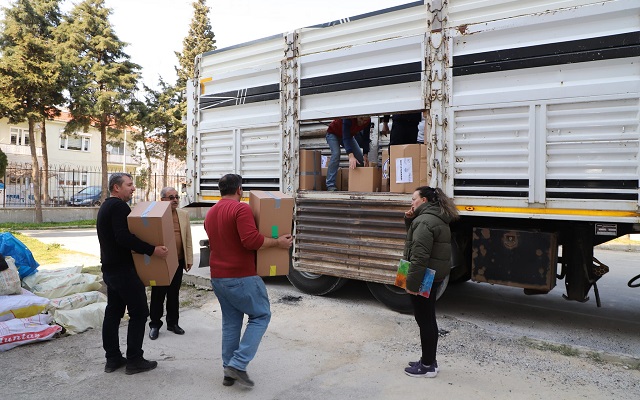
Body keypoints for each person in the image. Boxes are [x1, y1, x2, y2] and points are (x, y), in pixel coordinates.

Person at [204, 174, 293, 388]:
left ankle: (228, 370)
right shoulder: (240, 208)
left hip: (218, 277)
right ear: (239, 190)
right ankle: (238, 363)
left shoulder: (211, 212)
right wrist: (278, 242)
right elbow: (250, 241)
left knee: (231, 322)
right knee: (261, 315)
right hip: (241, 275)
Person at [96, 173, 169, 375]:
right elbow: (123, 237)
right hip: (122, 270)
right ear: (116, 187)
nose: (133, 188)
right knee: (139, 313)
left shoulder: (105, 206)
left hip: (110, 269)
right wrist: (152, 250)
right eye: (129, 185)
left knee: (113, 312)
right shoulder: (119, 206)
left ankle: (112, 359)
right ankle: (135, 360)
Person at [402, 186, 459, 378]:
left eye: (413, 199)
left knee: (424, 319)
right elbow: (415, 242)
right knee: (427, 318)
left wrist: (411, 284)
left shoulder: (425, 222)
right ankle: (429, 360)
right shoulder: (432, 218)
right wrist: (409, 220)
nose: (411, 202)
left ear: (424, 201)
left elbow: (419, 256)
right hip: (433, 275)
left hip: (424, 276)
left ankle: (427, 366)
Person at [149, 187, 193, 340]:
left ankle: (173, 323)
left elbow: (187, 238)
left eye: (176, 197)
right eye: (171, 197)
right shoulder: (156, 215)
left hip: (178, 261)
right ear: (163, 200)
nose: (175, 200)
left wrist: (189, 259)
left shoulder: (183, 214)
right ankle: (154, 324)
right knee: (158, 294)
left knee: (174, 293)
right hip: (161, 261)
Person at [325, 116, 371, 191]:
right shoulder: (349, 118)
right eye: (361, 119)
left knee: (360, 158)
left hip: (348, 136)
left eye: (365, 120)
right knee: (336, 154)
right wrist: (351, 156)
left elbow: (366, 137)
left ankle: (357, 184)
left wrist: (365, 154)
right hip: (333, 133)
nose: (362, 122)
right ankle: (330, 185)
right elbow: (345, 137)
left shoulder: (367, 121)